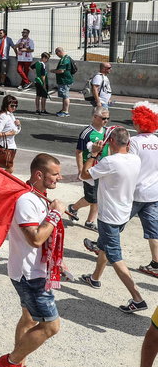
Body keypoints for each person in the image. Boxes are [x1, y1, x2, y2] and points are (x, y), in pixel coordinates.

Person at [0, 153, 64, 367]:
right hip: (30, 274)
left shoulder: (39, 195)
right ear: (39, 174)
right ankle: (11, 362)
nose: (59, 178)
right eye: (54, 174)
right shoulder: (26, 200)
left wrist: (57, 262)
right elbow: (35, 238)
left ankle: (18, 366)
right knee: (51, 326)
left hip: (33, 269)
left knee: (28, 319)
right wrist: (55, 214)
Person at [79, 127, 148, 313]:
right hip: (123, 213)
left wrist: (93, 154)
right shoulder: (135, 159)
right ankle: (94, 278)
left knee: (114, 255)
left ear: (112, 142)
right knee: (104, 246)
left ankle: (137, 298)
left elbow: (84, 175)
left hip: (109, 215)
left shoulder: (110, 162)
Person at [68, 106, 109, 231]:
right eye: (103, 118)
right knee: (91, 197)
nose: (106, 121)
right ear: (95, 117)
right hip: (90, 168)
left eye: (107, 118)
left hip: (103, 168)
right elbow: (79, 152)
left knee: (98, 196)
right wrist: (81, 170)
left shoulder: (106, 131)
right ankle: (73, 208)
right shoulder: (87, 133)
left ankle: (90, 221)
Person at [129, 102, 158, 277]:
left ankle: (102, 246)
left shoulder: (134, 141)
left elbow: (130, 166)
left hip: (136, 191)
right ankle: (156, 262)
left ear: (139, 122)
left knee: (116, 222)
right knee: (153, 230)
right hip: (154, 192)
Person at [0, 95, 21, 174]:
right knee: (9, 169)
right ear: (6, 105)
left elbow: (14, 131)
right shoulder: (3, 116)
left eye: (16, 106)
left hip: (11, 147)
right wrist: (8, 133)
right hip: (4, 147)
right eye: (12, 105)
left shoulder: (11, 115)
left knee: (4, 169)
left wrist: (18, 125)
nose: (14, 108)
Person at [51, 47, 76, 118]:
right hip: (65, 79)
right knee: (64, 96)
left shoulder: (64, 59)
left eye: (56, 53)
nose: (57, 55)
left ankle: (66, 111)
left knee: (65, 96)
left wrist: (53, 71)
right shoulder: (67, 58)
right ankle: (63, 110)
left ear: (59, 52)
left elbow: (61, 70)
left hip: (65, 80)